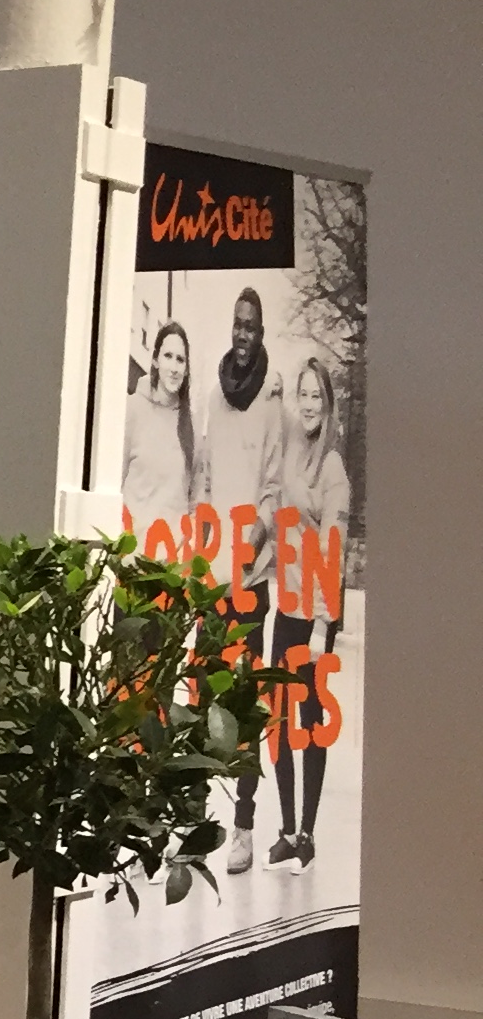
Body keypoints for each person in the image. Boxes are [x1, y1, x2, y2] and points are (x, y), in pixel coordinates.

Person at [202, 289, 287, 873]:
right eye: (237, 323)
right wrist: (210, 548)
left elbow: (273, 491)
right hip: (214, 576)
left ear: (261, 332)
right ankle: (193, 819)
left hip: (250, 577)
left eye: (251, 326)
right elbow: (208, 479)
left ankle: (245, 826)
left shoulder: (271, 401)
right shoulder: (214, 395)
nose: (242, 333)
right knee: (204, 693)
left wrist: (249, 547)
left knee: (247, 701)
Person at [269, 353, 354, 866]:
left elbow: (332, 549)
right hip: (286, 606)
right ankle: (284, 830)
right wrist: (277, 387)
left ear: (327, 403)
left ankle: (307, 834)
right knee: (278, 721)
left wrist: (323, 623)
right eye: (302, 394)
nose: (307, 404)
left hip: (314, 616)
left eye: (315, 395)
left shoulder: (333, 467)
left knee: (310, 721)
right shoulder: (293, 449)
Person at [121, 316, 203, 533]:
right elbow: (114, 486)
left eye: (180, 360)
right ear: (155, 360)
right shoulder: (131, 410)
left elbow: (196, 502)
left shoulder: (192, 425)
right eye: (168, 356)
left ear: (186, 369)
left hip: (174, 553)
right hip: (132, 549)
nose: (174, 367)